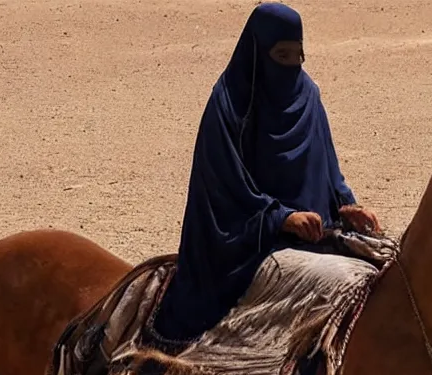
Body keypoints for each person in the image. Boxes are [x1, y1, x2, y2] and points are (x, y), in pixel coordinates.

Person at [148, 2, 380, 349]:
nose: (290, 66)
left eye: (297, 57)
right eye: (280, 55)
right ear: (257, 53)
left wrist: (346, 205)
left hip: (317, 234)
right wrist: (282, 218)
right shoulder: (230, 106)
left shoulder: (308, 96)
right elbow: (223, 191)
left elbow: (326, 167)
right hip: (249, 245)